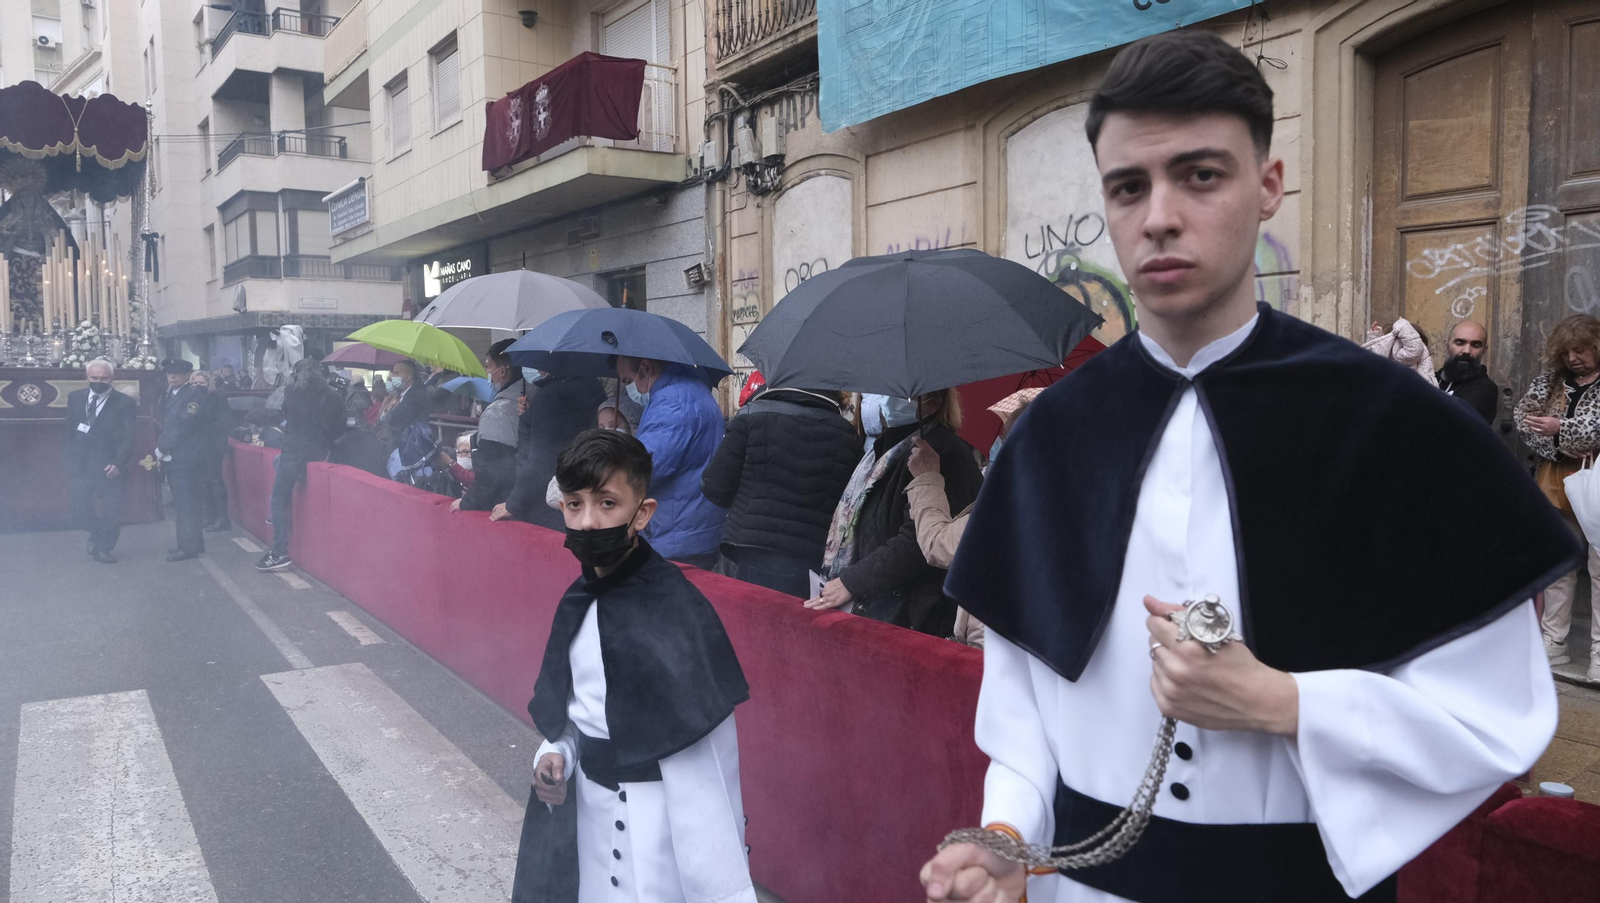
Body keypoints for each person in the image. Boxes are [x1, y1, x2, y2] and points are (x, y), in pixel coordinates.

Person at [922, 31, 1575, 903]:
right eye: (1128, 186)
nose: (1158, 214)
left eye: (1200, 174)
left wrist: (1286, 703)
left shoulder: (1394, 426)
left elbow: (1499, 717)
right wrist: (1006, 833)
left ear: (1268, 186)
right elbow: (1022, 705)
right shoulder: (1052, 434)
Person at [511, 429, 754, 903]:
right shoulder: (577, 600)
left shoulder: (677, 610)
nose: (586, 522)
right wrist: (556, 752)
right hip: (584, 826)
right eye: (574, 504)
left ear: (642, 513)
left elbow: (706, 772)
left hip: (657, 840)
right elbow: (577, 714)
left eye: (606, 504)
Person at [806, 389, 982, 637]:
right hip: (872, 598)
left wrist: (853, 580)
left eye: (906, 397)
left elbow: (919, 543)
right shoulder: (884, 447)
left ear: (935, 404)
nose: (888, 402)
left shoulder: (945, 454)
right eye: (886, 393)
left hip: (909, 611)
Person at [903, 390, 1039, 647]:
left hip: (990, 645)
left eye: (1005, 436)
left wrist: (927, 477)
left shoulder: (1015, 506)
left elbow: (939, 544)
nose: (999, 442)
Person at [699, 386, 861, 596]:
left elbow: (714, 486)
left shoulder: (751, 415)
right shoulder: (846, 434)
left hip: (751, 548)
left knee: (751, 622)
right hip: (813, 557)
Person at [1515, 314, 1600, 682]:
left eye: (1580, 350)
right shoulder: (1550, 380)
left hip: (1597, 478)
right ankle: (1554, 641)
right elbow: (1522, 416)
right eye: (1566, 353)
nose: (1573, 359)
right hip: (1556, 477)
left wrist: (1559, 428)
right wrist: (1558, 443)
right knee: (1560, 564)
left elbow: (1594, 432)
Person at [611, 356, 726, 568]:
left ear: (645, 368)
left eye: (628, 380)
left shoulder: (672, 403)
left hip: (675, 534)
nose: (631, 388)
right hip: (691, 527)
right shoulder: (689, 390)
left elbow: (643, 468)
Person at [256, 359, 346, 572]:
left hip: (294, 453)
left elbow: (287, 416)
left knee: (278, 499)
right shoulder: (334, 396)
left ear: (297, 375)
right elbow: (340, 427)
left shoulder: (291, 392)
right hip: (320, 453)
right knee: (277, 463)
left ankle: (279, 552)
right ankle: (278, 522)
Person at [496, 373, 608, 529]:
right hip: (581, 491)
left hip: (545, 501)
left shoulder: (552, 394)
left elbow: (539, 459)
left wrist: (513, 503)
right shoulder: (593, 388)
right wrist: (533, 414)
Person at [65, 359, 135, 564]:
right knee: (79, 511)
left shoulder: (124, 402)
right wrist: (69, 460)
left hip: (109, 465)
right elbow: (69, 430)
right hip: (82, 465)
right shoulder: (75, 398)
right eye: (94, 377)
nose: (99, 381)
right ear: (86, 377)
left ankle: (104, 548)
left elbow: (128, 437)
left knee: (111, 510)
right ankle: (96, 534)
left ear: (112, 378)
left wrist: (118, 463)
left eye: (104, 378)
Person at [454, 340, 521, 512]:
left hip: (503, 506)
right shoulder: (536, 397)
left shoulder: (498, 413)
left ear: (503, 370)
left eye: (489, 367)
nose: (488, 373)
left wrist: (466, 503)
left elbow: (491, 475)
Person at [157, 359, 208, 561]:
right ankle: (194, 542)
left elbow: (183, 427)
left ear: (188, 375)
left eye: (177, 373)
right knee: (187, 502)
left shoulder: (192, 395)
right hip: (180, 455)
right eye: (169, 373)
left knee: (185, 504)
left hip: (186, 456)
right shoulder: (172, 393)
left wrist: (161, 449)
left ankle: (187, 547)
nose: (172, 376)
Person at [189, 370, 234, 533]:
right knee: (202, 481)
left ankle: (223, 518)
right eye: (194, 383)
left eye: (201, 383)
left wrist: (201, 427)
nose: (197, 386)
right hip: (196, 445)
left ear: (209, 384)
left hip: (213, 444)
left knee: (214, 479)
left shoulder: (218, 399)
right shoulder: (189, 399)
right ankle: (209, 515)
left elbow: (224, 422)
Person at [1437, 320, 1499, 423]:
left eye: (1475, 345)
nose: (1466, 351)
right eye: (1460, 343)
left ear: (1484, 350)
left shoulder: (1485, 389)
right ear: (1446, 345)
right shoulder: (1430, 379)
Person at [1361, 318, 1438, 386]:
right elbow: (1377, 359)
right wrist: (1376, 337)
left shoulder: (1411, 356)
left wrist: (1402, 324)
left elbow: (1414, 349)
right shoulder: (1396, 356)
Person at [379, 359, 428, 450]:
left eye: (396, 373)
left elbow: (397, 417)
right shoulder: (401, 394)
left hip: (408, 444)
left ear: (408, 376)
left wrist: (389, 413)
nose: (393, 377)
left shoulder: (416, 395)